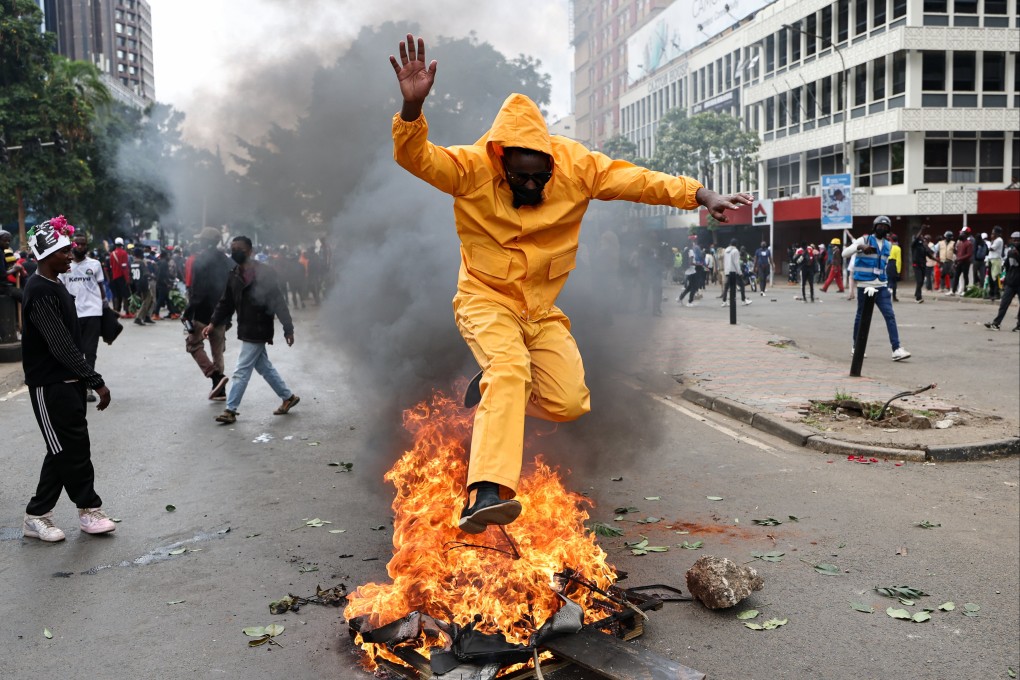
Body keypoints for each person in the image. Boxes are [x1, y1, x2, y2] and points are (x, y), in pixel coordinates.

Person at [389, 34, 751, 533]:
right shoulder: (470, 168)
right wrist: (412, 109)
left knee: (569, 402)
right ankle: (485, 494)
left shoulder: (578, 166)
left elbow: (639, 181)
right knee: (511, 369)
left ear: (552, 163)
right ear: (500, 160)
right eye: (520, 177)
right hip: (485, 301)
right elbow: (415, 157)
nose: (532, 186)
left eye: (540, 177)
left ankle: (497, 386)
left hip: (540, 312)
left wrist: (702, 195)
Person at [20, 217, 116, 542]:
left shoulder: (56, 285)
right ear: (47, 257)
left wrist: (84, 380)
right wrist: (95, 380)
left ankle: (37, 515)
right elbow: (61, 346)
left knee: (64, 449)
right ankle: (88, 508)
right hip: (50, 386)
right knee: (68, 450)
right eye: (64, 251)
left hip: (69, 383)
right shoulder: (38, 292)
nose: (70, 255)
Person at [203, 236, 299, 424]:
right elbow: (225, 303)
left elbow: (278, 301)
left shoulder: (265, 273)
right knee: (263, 366)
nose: (235, 251)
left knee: (241, 370)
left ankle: (230, 409)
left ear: (249, 251)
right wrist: (213, 323)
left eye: (239, 248)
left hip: (259, 327)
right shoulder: (234, 274)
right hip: (245, 327)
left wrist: (288, 328)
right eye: (232, 248)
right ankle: (288, 397)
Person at [843, 215, 911, 361]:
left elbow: (883, 264)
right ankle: (856, 347)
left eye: (886, 227)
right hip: (864, 285)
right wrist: (859, 247)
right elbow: (844, 253)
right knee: (861, 317)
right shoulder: (864, 240)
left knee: (890, 315)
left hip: (881, 285)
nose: (883, 229)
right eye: (880, 226)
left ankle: (896, 349)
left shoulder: (888, 245)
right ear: (874, 227)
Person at [185, 227, 234, 401]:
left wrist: (188, 311)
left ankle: (215, 377)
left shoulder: (200, 261)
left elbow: (198, 291)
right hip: (221, 314)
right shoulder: (228, 262)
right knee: (217, 351)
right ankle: (219, 390)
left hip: (202, 313)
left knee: (193, 345)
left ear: (205, 242)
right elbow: (235, 290)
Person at [58, 235, 105, 403]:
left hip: (93, 313)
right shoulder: (65, 266)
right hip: (73, 314)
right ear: (73, 245)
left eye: (84, 244)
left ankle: (89, 387)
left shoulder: (95, 264)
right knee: (75, 352)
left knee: (90, 352)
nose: (81, 246)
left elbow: (100, 286)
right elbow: (62, 288)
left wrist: (105, 305)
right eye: (78, 244)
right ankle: (75, 385)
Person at [984, 231, 1020, 332]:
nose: (1016, 242)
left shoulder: (1015, 253)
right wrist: (1005, 281)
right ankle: (996, 324)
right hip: (1011, 283)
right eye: (1014, 240)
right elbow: (1007, 267)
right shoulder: (1010, 252)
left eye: (1018, 240)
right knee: (1004, 304)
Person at [721, 238, 751, 306]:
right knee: (742, 285)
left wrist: (726, 270)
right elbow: (736, 263)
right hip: (734, 271)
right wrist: (740, 273)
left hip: (727, 271)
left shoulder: (726, 250)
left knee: (726, 287)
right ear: (736, 244)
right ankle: (743, 300)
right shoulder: (735, 251)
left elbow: (725, 261)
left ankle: (724, 301)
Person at [130, 248, 155, 325]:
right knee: (147, 300)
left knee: (150, 299)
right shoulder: (141, 263)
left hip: (136, 283)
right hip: (143, 283)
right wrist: (152, 276)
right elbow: (145, 273)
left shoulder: (132, 263)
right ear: (140, 255)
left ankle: (147, 316)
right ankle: (139, 317)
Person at [108, 237, 132, 316]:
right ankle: (127, 311)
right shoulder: (124, 253)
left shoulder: (112, 254)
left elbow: (111, 267)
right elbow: (124, 267)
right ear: (122, 244)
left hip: (115, 277)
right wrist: (127, 278)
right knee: (126, 295)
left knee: (117, 295)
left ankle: (117, 311)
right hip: (122, 276)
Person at [910, 229, 934, 303]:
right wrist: (922, 229)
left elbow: (930, 254)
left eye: (922, 237)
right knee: (919, 281)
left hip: (923, 265)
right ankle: (918, 297)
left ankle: (917, 293)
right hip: (916, 265)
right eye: (920, 237)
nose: (922, 238)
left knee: (921, 281)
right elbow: (916, 238)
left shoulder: (923, 246)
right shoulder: (913, 245)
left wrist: (938, 261)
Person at [953, 227, 974, 294]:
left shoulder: (969, 243)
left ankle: (965, 290)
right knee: (956, 276)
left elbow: (969, 254)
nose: (960, 234)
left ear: (966, 235)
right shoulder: (959, 243)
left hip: (965, 262)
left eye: (962, 233)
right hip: (959, 262)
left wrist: (959, 258)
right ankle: (953, 290)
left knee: (965, 276)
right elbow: (958, 253)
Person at [987, 226, 1004, 301]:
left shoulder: (999, 240)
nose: (992, 234)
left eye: (993, 232)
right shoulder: (994, 240)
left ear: (997, 233)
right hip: (991, 260)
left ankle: (996, 294)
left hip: (996, 260)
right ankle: (991, 293)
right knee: (990, 278)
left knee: (995, 277)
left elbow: (991, 248)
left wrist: (989, 242)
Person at [887, 233, 902, 302]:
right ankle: (894, 297)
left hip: (888, 263)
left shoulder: (888, 246)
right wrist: (898, 270)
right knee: (894, 282)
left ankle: (886, 296)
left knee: (888, 281)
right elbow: (898, 260)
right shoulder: (898, 248)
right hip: (894, 264)